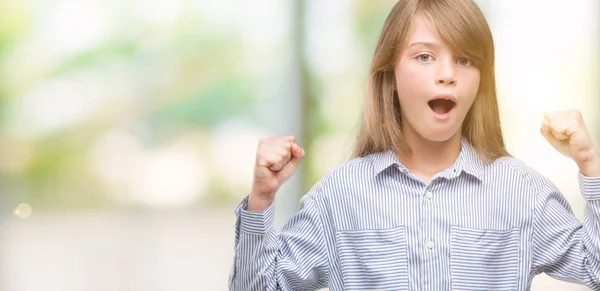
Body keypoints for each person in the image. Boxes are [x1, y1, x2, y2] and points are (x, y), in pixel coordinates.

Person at [228, 0, 600, 290]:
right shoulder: (340, 195)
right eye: (424, 56)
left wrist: (590, 164)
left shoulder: (522, 191)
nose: (447, 75)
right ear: (390, 73)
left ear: (480, 80)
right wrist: (261, 200)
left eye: (465, 60)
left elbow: (594, 268)